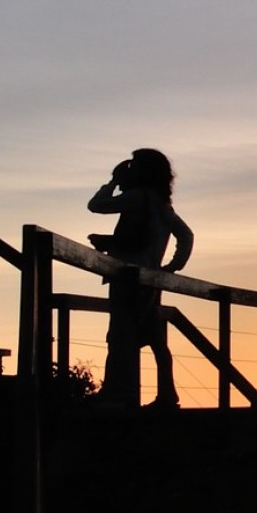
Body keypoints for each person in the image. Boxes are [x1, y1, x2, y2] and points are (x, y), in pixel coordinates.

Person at [87, 149, 193, 408]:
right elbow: (186, 235)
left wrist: (112, 182)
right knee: (154, 338)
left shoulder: (136, 198)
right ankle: (167, 395)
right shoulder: (162, 204)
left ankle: (117, 394)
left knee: (121, 336)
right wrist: (170, 267)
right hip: (151, 280)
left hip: (129, 278)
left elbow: (96, 205)